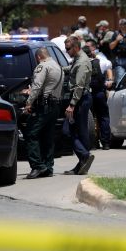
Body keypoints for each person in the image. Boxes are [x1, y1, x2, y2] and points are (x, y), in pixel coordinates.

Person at [23, 47, 63, 179]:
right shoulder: (58, 66)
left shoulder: (42, 66)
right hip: (55, 105)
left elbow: (37, 86)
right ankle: (48, 167)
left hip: (44, 106)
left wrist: (29, 102)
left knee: (30, 133)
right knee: (48, 137)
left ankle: (37, 166)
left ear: (39, 57)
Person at [63, 35, 94, 175]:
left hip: (80, 99)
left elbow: (79, 86)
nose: (67, 51)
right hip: (80, 99)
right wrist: (62, 69)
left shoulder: (82, 62)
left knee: (69, 131)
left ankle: (84, 156)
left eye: (68, 49)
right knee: (78, 132)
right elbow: (72, 68)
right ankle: (82, 162)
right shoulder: (78, 59)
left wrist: (72, 104)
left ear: (76, 47)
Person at [82, 45, 111, 150]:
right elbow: (109, 65)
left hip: (86, 94)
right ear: (91, 53)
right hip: (99, 93)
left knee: (88, 118)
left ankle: (92, 143)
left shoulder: (81, 63)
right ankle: (106, 142)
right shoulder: (101, 62)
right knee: (103, 117)